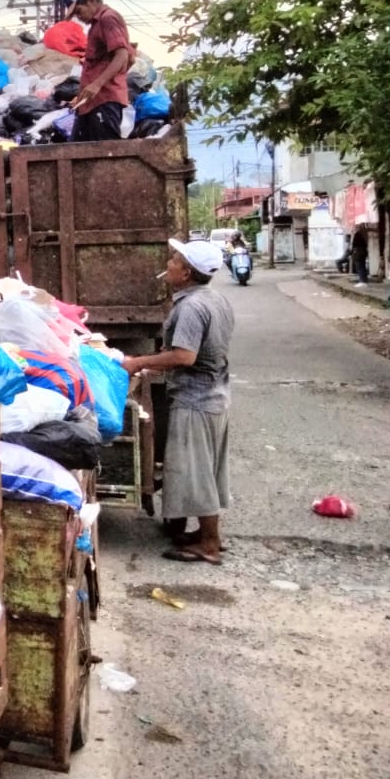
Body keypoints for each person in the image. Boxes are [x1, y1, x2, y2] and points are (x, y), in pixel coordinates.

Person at [122, 238, 237, 564]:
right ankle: (204, 534)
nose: (168, 264)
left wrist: (139, 362)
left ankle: (210, 544)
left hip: (195, 398)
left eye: (174, 259)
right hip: (215, 395)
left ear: (186, 272)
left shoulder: (189, 307)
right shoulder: (215, 299)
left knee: (196, 472)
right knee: (209, 469)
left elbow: (185, 356)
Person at [64, 0, 132, 142]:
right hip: (92, 102)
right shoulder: (96, 25)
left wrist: (96, 84)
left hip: (105, 100)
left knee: (103, 155)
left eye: (79, 12)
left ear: (90, 1)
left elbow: (122, 54)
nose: (78, 18)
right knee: (80, 152)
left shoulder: (108, 18)